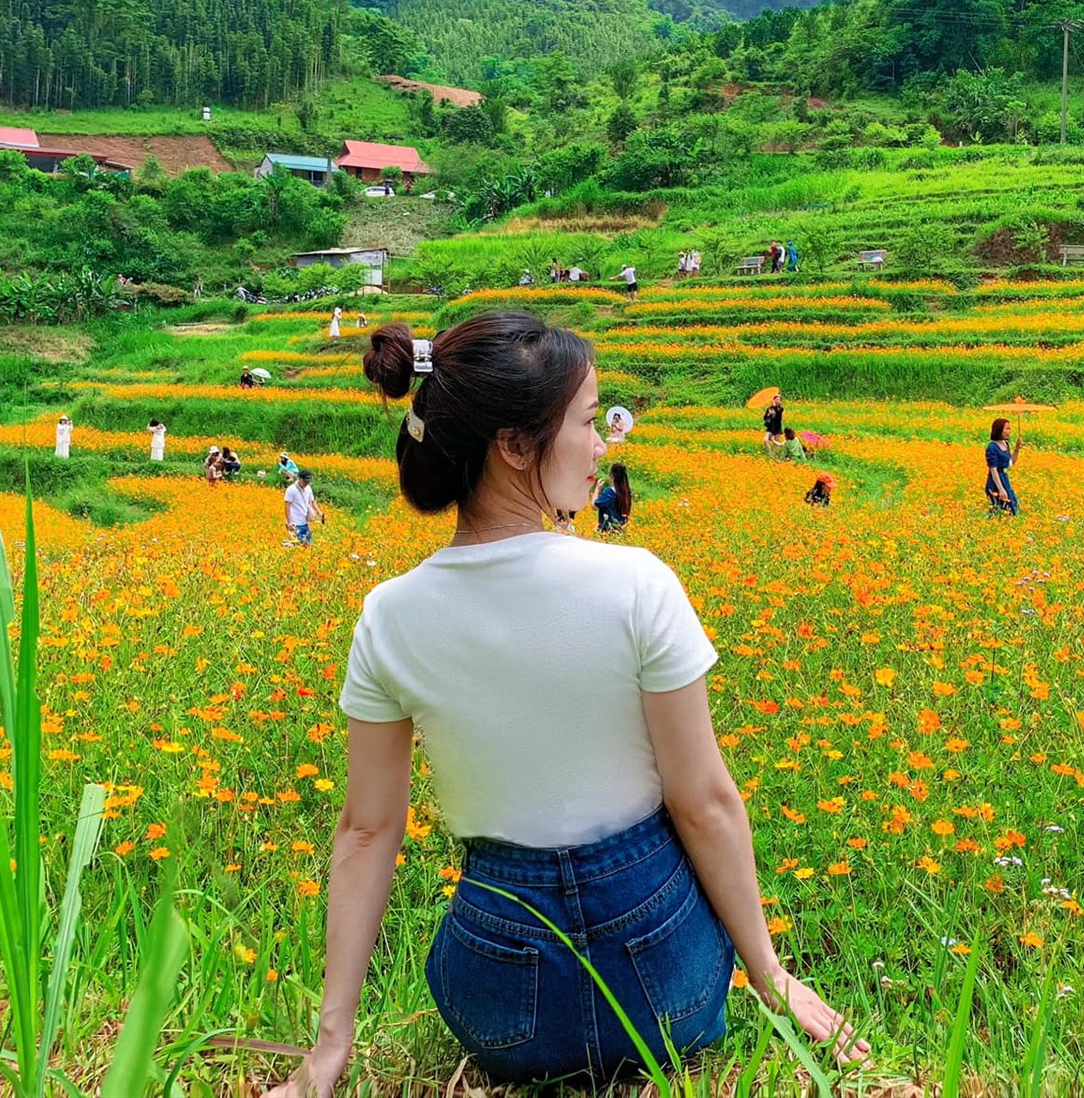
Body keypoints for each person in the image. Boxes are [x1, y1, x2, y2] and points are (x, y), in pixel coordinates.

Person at [267, 316, 862, 1093]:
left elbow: (368, 829)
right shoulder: (638, 582)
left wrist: (329, 1049)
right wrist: (772, 976)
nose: (601, 445)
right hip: (668, 995)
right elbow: (705, 802)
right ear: (515, 446)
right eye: (587, 422)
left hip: (499, 1010)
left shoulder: (389, 613)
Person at [986, 418, 1020, 514]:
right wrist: (1001, 489)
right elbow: (993, 470)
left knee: (1013, 507)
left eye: (1009, 428)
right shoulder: (992, 447)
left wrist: (1017, 449)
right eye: (1007, 428)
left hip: (1004, 478)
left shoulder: (1005, 444)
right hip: (995, 480)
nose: (1009, 431)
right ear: (999, 430)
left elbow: (1010, 463)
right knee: (1001, 509)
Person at [285, 468, 325, 543]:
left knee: (307, 544)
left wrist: (319, 512)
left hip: (304, 522)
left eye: (308, 482)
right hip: (294, 523)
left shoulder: (308, 488)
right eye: (305, 482)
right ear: (300, 479)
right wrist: (289, 522)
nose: (306, 484)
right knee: (297, 545)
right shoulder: (291, 490)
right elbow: (287, 506)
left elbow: (312, 501)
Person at [593, 463, 632, 533]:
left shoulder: (609, 492)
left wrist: (597, 488)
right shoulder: (627, 492)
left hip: (606, 532)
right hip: (621, 531)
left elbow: (594, 506)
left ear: (612, 476)